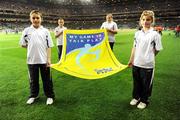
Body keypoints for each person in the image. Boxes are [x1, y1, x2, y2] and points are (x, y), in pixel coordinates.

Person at [128, 10, 163, 109]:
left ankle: (144, 100)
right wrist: (131, 60)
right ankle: (136, 97)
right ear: (140, 20)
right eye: (143, 19)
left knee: (146, 84)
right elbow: (134, 47)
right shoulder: (137, 33)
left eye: (148, 19)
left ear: (152, 20)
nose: (145, 21)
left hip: (147, 65)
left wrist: (149, 57)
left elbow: (158, 49)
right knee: (136, 82)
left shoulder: (155, 34)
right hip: (136, 63)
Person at [19, 10, 55, 105]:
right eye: (33, 18)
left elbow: (49, 46)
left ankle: (50, 96)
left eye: (37, 18)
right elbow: (22, 44)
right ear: (30, 19)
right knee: (33, 80)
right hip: (31, 60)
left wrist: (49, 59)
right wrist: (30, 46)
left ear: (41, 19)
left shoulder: (46, 31)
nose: (35, 20)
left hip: (44, 60)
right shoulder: (26, 31)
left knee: (47, 80)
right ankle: (33, 95)